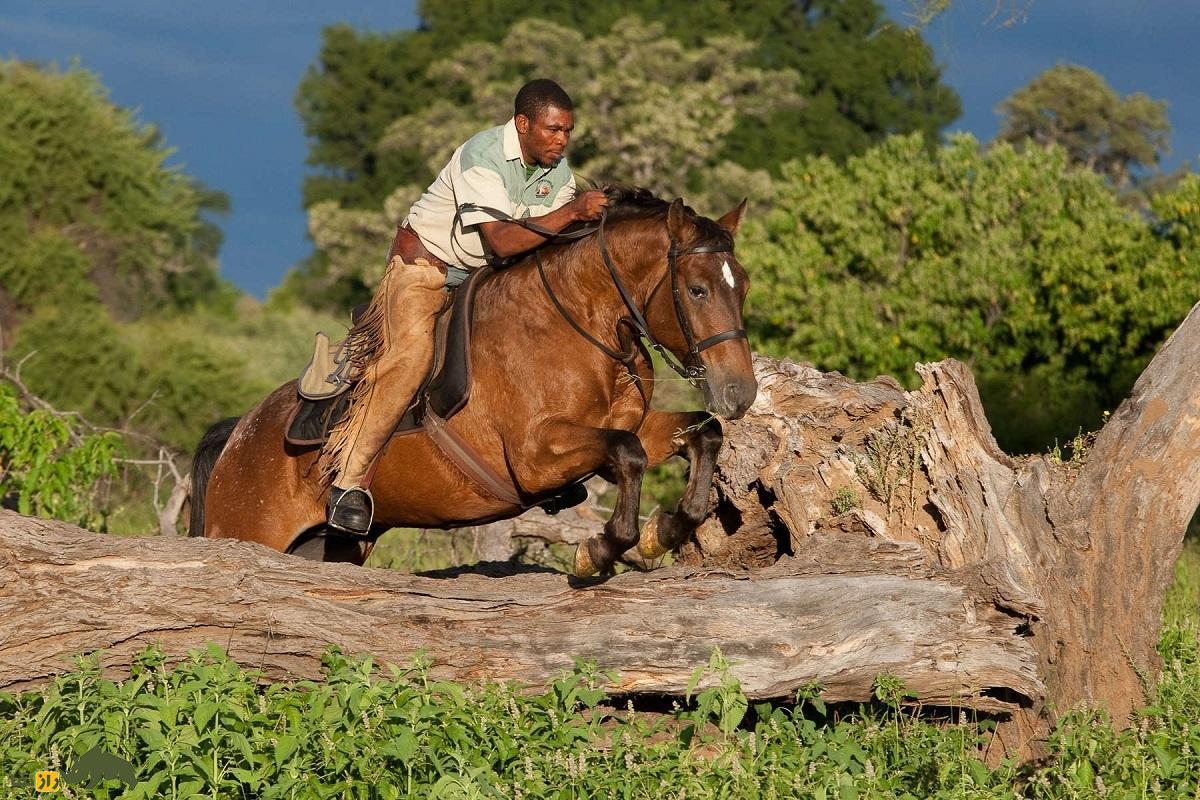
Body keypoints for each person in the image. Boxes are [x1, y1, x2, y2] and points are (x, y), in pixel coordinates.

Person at [321, 78, 609, 536]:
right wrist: (573, 212)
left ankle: (553, 463)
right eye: (553, 130)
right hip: (426, 269)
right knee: (411, 359)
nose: (562, 140)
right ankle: (348, 484)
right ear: (522, 124)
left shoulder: (559, 173)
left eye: (567, 132)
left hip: (486, 279)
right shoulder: (483, 155)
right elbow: (501, 240)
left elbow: (548, 245)